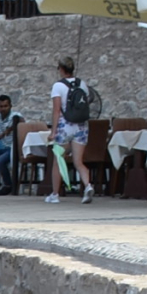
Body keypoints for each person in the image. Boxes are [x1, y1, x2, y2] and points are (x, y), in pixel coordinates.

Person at [47, 57, 94, 202]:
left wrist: (53, 132)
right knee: (78, 161)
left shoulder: (58, 86)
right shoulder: (83, 85)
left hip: (64, 126)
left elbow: (56, 110)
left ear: (61, 69)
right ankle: (87, 185)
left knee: (58, 160)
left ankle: (55, 194)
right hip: (81, 126)